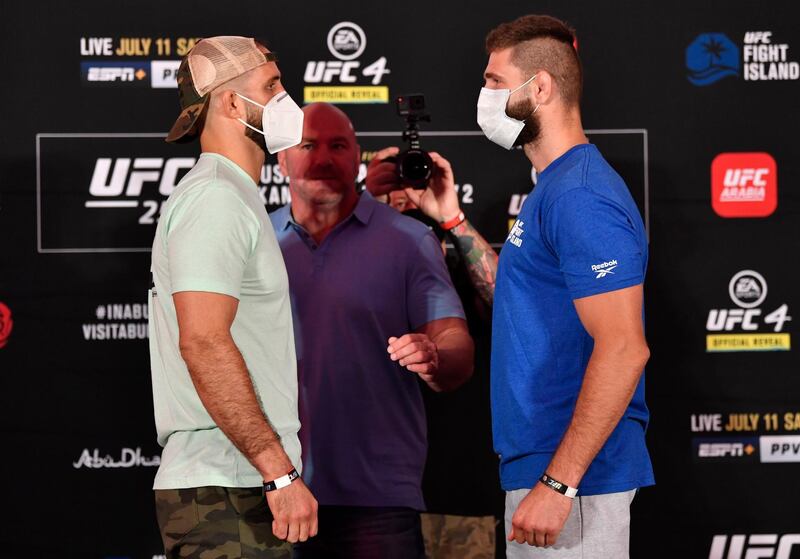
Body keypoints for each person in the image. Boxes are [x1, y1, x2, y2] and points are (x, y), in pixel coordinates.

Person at [479, 15, 655, 558]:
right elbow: (529, 304)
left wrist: (559, 483)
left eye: (492, 82)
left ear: (541, 87)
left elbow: (625, 349)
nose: (483, 96)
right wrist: (452, 224)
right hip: (549, 471)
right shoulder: (553, 188)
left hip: (574, 482)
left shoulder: (579, 196)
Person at [270, 102, 474, 559]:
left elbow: (457, 347)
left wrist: (434, 355)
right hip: (273, 488)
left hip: (378, 498)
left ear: (356, 156)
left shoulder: (408, 240)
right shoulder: (255, 240)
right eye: (307, 145)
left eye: (337, 145)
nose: (322, 158)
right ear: (280, 158)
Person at [148, 36, 317, 558]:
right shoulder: (216, 198)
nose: (286, 99)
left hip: (237, 482)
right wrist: (278, 471)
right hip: (228, 485)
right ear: (230, 103)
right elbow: (202, 341)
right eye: (271, 86)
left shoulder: (233, 194)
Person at [367, 149, 503, 559]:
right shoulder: (354, 249)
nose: (403, 194)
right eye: (391, 184)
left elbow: (511, 307)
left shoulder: (456, 254)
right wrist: (367, 207)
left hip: (456, 478)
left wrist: (451, 216)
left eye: (412, 180)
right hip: (369, 488)